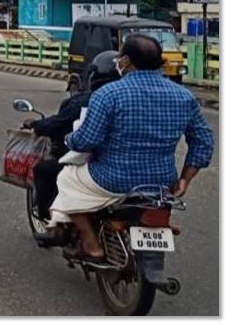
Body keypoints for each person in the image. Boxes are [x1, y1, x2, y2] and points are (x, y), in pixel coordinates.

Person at [49, 34, 214, 262]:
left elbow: (87, 140)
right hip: (162, 182)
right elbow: (203, 140)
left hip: (111, 179)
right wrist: (186, 178)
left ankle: (91, 245)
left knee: (66, 179)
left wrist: (70, 139)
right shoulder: (184, 96)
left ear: (125, 62)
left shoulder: (108, 94)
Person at [24, 51, 120, 227]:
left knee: (53, 173)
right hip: (147, 173)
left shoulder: (90, 100)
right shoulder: (139, 99)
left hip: (101, 167)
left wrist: (70, 140)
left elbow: (81, 139)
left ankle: (54, 221)